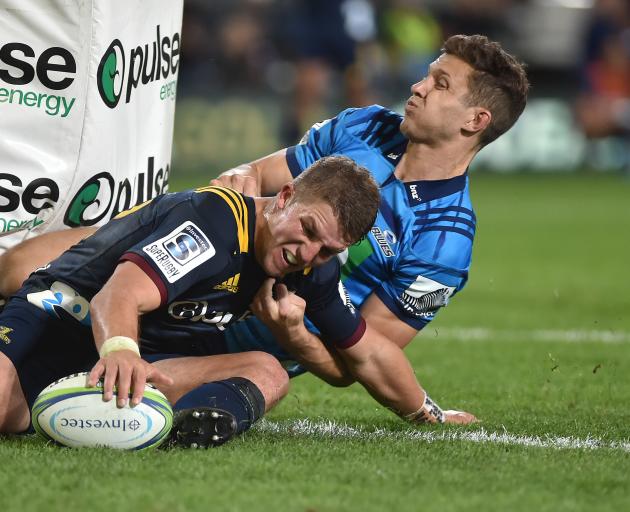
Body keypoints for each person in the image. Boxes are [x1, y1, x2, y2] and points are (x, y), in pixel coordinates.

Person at [0, 34, 529, 426]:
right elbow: (257, 175)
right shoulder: (365, 126)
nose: (417, 87)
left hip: (239, 338)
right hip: (210, 265)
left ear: (475, 121)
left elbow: (356, 360)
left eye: (439, 84)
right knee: (22, 266)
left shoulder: (445, 240)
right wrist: (225, 205)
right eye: (427, 74)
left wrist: (292, 332)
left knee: (253, 372)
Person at [0, 156, 391, 447]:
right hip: (63, 318)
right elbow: (117, 295)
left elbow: (360, 358)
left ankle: (182, 432)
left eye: (327, 250)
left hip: (142, 358)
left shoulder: (310, 267)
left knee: (269, 372)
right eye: (307, 231)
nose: (308, 254)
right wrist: (120, 351)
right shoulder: (214, 221)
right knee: (6, 410)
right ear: (285, 197)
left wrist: (426, 412)